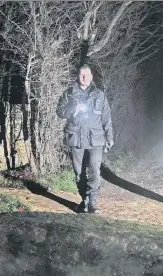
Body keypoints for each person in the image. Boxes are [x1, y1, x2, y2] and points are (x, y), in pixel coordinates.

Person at [56, 64, 114, 214]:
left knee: (95, 169)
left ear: (91, 77)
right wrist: (73, 109)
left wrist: (109, 137)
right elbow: (60, 112)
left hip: (95, 140)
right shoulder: (69, 94)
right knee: (78, 172)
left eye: (86, 75)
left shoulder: (99, 95)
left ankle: (93, 202)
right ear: (78, 76)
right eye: (81, 75)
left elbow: (106, 119)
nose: (84, 78)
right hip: (76, 139)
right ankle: (84, 199)